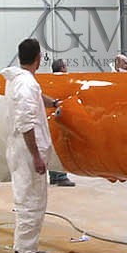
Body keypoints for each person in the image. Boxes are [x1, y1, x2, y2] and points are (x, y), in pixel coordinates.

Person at [2, 38, 60, 253]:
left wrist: (53, 103)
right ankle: (27, 251)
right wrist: (36, 155)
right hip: (27, 150)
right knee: (32, 199)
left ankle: (22, 246)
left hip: (18, 147)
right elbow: (26, 122)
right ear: (38, 58)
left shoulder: (18, 81)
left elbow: (34, 99)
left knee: (26, 197)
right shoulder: (26, 84)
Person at [46, 59, 75, 188]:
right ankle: (60, 176)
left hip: (50, 117)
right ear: (62, 68)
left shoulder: (50, 81)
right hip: (59, 117)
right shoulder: (63, 81)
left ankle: (54, 176)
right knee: (60, 147)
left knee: (52, 146)